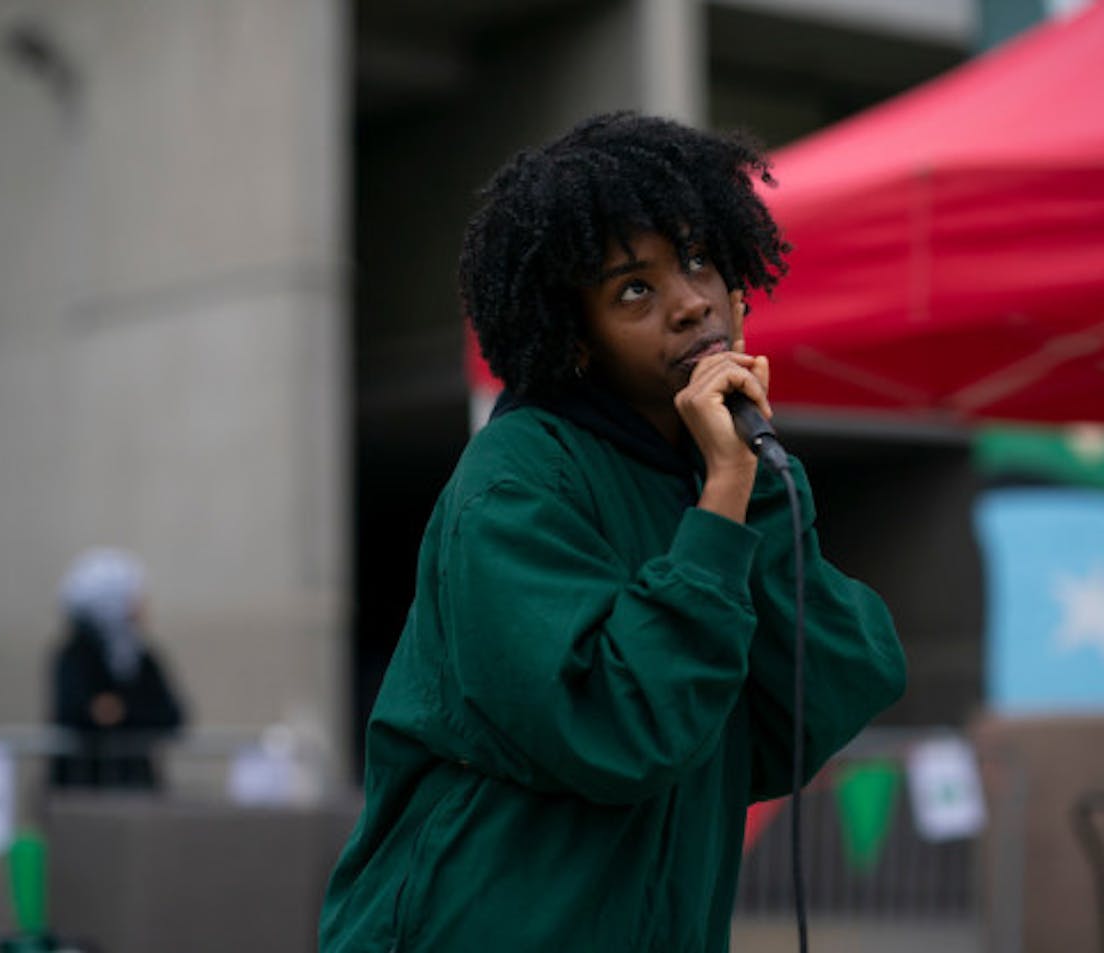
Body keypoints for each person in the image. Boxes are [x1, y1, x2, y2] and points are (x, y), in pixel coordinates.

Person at [320, 112, 906, 951]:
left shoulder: (718, 468)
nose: (689, 302)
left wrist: (748, 487)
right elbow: (620, 725)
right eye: (634, 290)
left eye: (699, 258)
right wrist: (723, 502)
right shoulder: (517, 479)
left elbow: (823, 689)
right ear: (576, 340)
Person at [49, 548, 187, 790]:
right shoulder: (76, 654)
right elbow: (75, 711)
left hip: (134, 784)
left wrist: (121, 710)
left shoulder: (140, 657)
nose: (142, 606)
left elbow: (172, 715)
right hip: (81, 785)